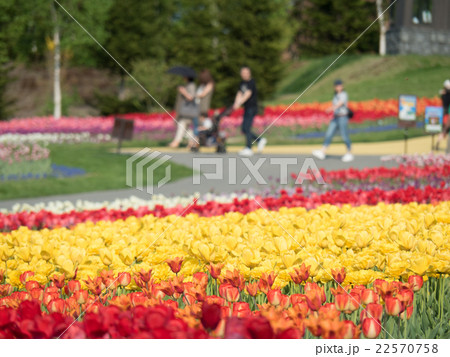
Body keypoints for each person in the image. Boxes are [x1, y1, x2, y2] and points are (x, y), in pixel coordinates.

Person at [312, 79, 353, 162]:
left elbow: (340, 104)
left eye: (340, 85)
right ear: (335, 87)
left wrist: (331, 108)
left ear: (342, 86)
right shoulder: (335, 95)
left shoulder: (344, 94)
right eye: (337, 86)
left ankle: (349, 153)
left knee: (344, 135)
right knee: (329, 133)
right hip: (335, 117)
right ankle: (322, 151)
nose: (339, 87)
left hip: (343, 117)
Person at [233, 66, 267, 157]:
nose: (244, 74)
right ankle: (259, 140)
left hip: (252, 108)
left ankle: (249, 148)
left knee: (247, 127)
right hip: (246, 108)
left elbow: (248, 94)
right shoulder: (242, 83)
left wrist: (239, 103)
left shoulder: (251, 82)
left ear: (249, 73)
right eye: (243, 73)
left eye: (246, 73)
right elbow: (239, 93)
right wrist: (236, 103)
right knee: (244, 128)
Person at [169, 77, 198, 148]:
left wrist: (183, 91)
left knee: (182, 124)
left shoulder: (191, 85)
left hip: (189, 110)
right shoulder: (188, 85)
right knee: (186, 127)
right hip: (186, 110)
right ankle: (193, 141)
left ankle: (177, 141)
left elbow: (191, 97)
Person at [190, 69, 214, 150]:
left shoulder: (209, 84)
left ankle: (196, 142)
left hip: (203, 107)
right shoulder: (202, 85)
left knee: (200, 125)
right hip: (197, 106)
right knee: (197, 124)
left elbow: (203, 94)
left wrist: (194, 95)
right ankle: (195, 142)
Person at [435, 80, 450, 150]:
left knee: (444, 130)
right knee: (445, 130)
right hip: (447, 112)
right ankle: (439, 143)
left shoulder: (444, 92)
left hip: (445, 112)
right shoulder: (446, 93)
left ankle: (438, 142)